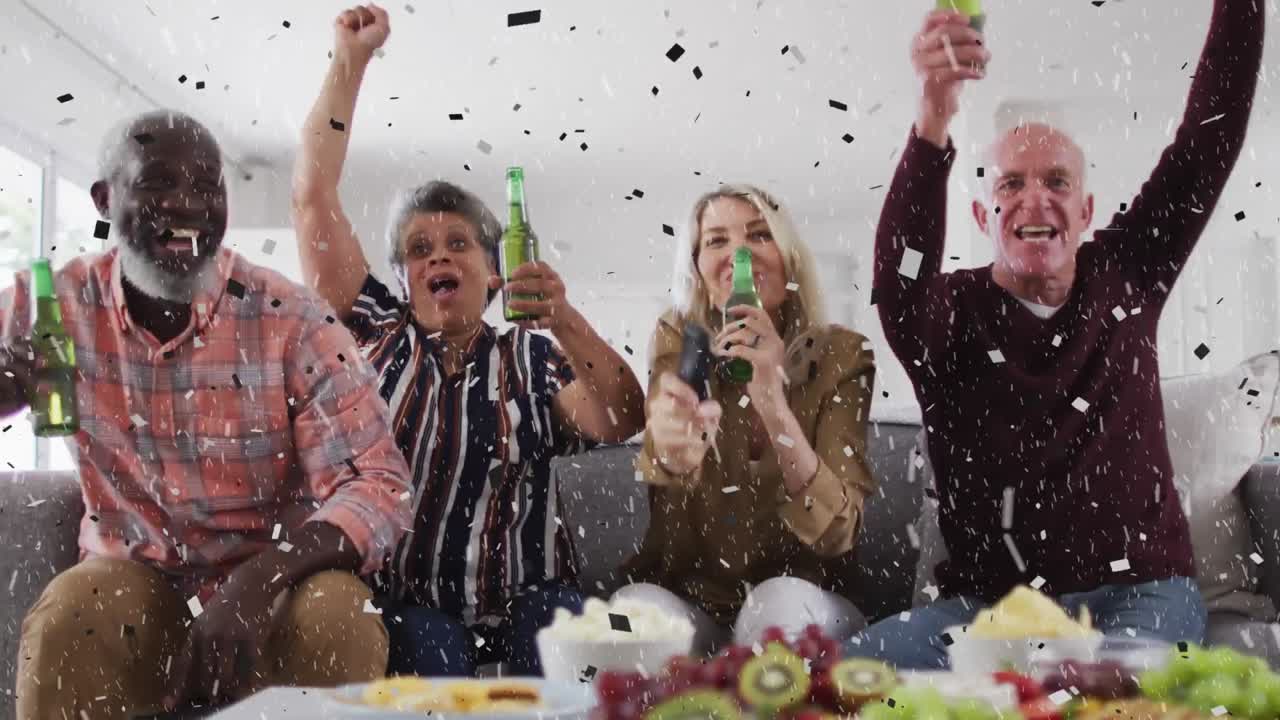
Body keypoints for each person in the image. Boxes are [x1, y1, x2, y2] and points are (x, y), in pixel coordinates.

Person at [848, 0, 1264, 670]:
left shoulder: (1129, 274)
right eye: (1011, 184)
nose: (1033, 198)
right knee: (849, 674)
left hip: (1140, 596)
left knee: (1110, 693)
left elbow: (1207, 142)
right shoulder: (948, 317)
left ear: (1086, 210)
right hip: (989, 611)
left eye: (1056, 182)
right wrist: (933, 119)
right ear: (985, 213)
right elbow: (899, 279)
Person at [0, 110, 412, 718]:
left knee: (339, 616)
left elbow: (380, 484)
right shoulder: (50, 306)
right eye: (158, 182)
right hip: (131, 583)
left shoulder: (290, 317)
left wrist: (262, 578)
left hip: (279, 586)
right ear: (105, 199)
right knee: (73, 617)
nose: (188, 205)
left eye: (207, 186)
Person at [291, 4, 646, 677]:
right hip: (409, 606)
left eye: (457, 244)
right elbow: (312, 195)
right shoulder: (371, 328)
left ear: (492, 272)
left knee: (567, 647)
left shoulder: (535, 356)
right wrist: (350, 61)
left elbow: (622, 418)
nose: (437, 259)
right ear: (402, 277)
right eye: (419, 250)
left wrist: (565, 317)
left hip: (531, 602)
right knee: (436, 652)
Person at [614, 184, 877, 656]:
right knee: (627, 611)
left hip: (808, 602)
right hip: (693, 606)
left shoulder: (842, 354)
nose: (737, 251)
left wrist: (772, 401)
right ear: (698, 269)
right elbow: (662, 446)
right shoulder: (680, 336)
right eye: (716, 240)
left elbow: (838, 531)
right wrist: (673, 451)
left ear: (789, 257)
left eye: (758, 235)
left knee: (775, 603)